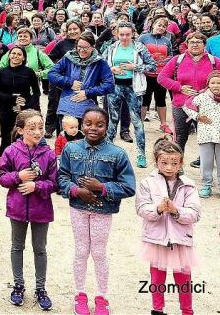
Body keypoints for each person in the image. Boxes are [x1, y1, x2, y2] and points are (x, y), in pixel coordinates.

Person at [57, 107, 136, 315]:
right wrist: (76, 190)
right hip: (78, 209)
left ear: (107, 126)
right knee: (81, 251)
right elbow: (61, 177)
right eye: (88, 124)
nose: (93, 128)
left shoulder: (117, 153)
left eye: (99, 125)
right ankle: (80, 293)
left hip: (103, 210)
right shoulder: (71, 149)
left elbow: (129, 186)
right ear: (82, 125)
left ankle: (102, 296)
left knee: (99, 253)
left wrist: (102, 188)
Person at [0, 109, 56, 311]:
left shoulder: (48, 153)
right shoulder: (11, 151)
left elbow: (55, 183)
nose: (38, 132)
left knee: (40, 249)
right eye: (32, 128)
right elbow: (1, 177)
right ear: (21, 130)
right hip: (17, 208)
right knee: (17, 246)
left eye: (40, 127)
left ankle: (41, 288)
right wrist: (18, 176)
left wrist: (37, 186)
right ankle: (18, 286)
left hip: (42, 209)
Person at [135, 138, 201, 315]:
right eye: (164, 162)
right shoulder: (147, 183)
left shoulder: (189, 185)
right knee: (157, 278)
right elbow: (141, 208)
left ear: (181, 162)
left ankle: (187, 311)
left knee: (184, 279)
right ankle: (157, 309)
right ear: (156, 161)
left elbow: (195, 213)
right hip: (157, 239)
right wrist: (157, 209)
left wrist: (176, 211)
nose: (169, 167)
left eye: (174, 163)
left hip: (181, 240)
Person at [158, 32, 220, 166]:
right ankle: (177, 166)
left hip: (207, 107)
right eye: (191, 42)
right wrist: (179, 87)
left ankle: (204, 164)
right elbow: (162, 78)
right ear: (186, 44)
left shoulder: (214, 61)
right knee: (180, 138)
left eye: (198, 42)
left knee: (208, 138)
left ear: (204, 45)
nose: (195, 44)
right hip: (181, 105)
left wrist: (208, 90)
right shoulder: (177, 60)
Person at [103, 22, 157, 168]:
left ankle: (141, 155)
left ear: (133, 33)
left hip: (134, 88)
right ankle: (107, 152)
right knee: (112, 120)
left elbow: (152, 65)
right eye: (122, 34)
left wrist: (136, 67)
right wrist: (111, 68)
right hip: (115, 87)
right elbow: (101, 64)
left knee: (137, 122)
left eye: (128, 34)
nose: (124, 37)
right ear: (117, 34)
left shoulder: (139, 48)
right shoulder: (112, 47)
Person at [48, 33, 114, 129]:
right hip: (66, 104)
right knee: (65, 138)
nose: (81, 50)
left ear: (93, 47)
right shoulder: (68, 58)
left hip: (88, 106)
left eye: (85, 48)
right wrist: (69, 82)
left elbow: (109, 85)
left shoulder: (100, 62)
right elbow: (52, 74)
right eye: (79, 47)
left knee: (85, 139)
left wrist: (87, 92)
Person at [183, 71, 220, 199]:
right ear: (208, 84)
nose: (216, 85)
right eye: (213, 83)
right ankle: (206, 185)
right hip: (205, 135)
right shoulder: (202, 96)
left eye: (219, 83)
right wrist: (197, 117)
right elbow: (186, 106)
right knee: (206, 162)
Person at [0, 46, 41, 156]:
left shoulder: (29, 72)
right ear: (9, 55)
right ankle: (4, 161)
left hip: (25, 109)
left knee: (24, 135)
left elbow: (36, 92)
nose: (15, 56)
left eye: (19, 54)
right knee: (6, 135)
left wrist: (28, 104)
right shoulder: (2, 72)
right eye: (13, 53)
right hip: (6, 108)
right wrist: (11, 98)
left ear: (24, 58)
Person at [138, 17, 176, 134]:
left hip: (161, 75)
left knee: (161, 99)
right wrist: (150, 59)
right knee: (145, 100)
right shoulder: (143, 37)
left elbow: (170, 55)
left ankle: (163, 124)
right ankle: (140, 124)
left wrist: (163, 60)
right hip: (146, 74)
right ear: (153, 25)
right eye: (159, 25)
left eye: (164, 26)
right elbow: (137, 54)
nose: (161, 28)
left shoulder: (166, 40)